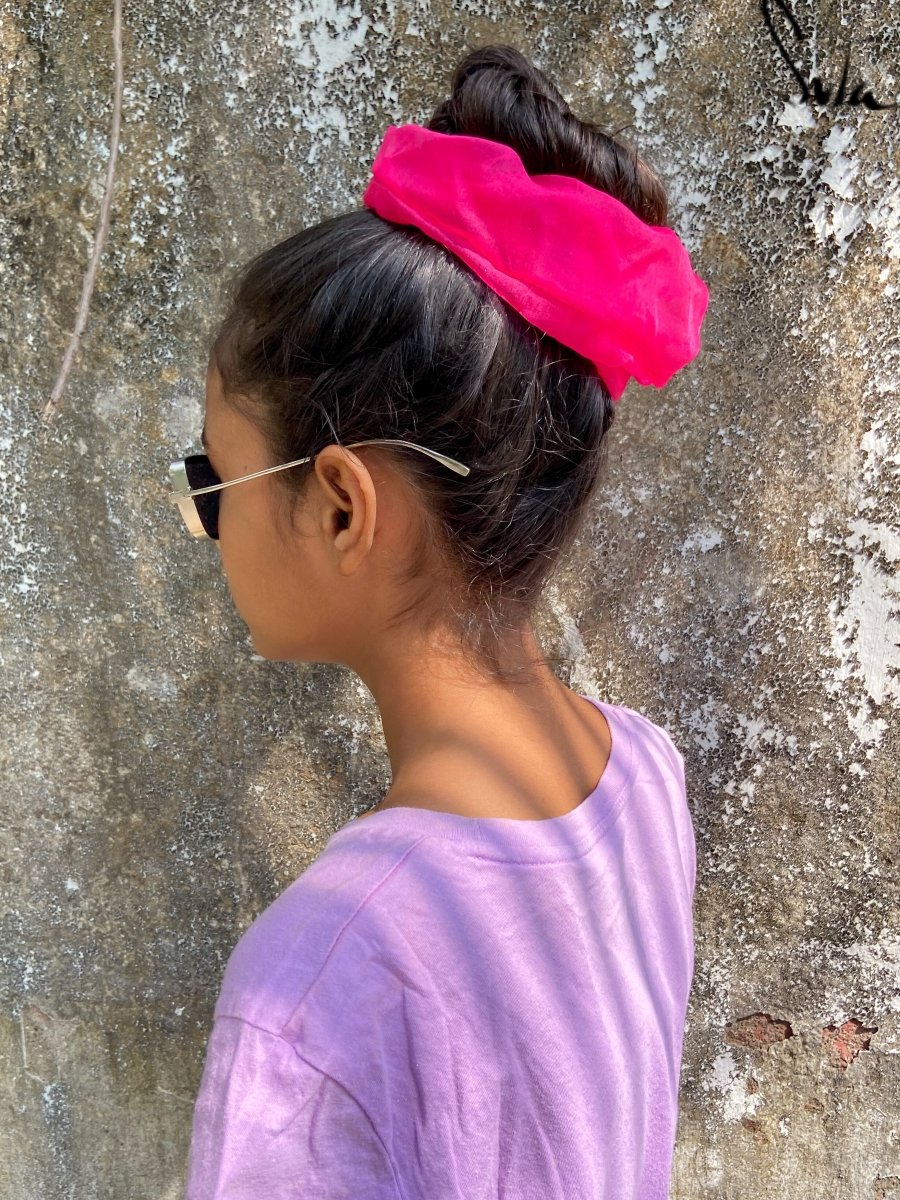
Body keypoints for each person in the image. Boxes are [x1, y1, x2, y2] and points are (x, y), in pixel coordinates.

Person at [172, 42, 707, 1200]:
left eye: (213, 480)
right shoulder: (646, 779)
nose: (202, 522)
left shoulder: (314, 992)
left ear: (341, 505)